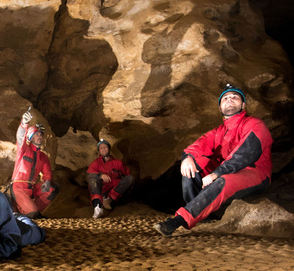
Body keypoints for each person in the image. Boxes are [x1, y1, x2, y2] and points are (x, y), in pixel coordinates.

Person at [154, 84, 273, 236]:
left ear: (243, 105)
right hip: (226, 171)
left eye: (234, 97)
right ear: (220, 108)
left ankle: (178, 220)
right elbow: (197, 146)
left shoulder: (255, 124)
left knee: (223, 181)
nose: (229, 100)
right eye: (225, 98)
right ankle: (200, 212)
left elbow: (245, 155)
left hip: (255, 173)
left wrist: (217, 173)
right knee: (192, 165)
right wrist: (188, 158)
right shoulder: (219, 131)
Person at [9, 108, 59, 219]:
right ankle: (31, 212)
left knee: (53, 188)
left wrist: (47, 181)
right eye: (36, 135)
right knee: (34, 214)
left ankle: (30, 211)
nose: (39, 137)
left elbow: (47, 172)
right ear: (31, 137)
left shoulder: (43, 157)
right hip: (19, 187)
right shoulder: (24, 150)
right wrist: (24, 123)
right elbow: (20, 137)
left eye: (41, 135)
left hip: (31, 188)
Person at [86, 139, 135, 218]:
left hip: (114, 191)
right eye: (101, 148)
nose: (103, 149)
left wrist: (125, 190)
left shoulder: (118, 163)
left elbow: (127, 175)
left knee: (130, 178)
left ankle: (109, 199)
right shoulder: (96, 163)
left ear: (109, 149)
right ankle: (98, 207)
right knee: (93, 178)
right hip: (102, 191)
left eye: (105, 147)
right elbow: (89, 174)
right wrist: (100, 175)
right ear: (99, 151)